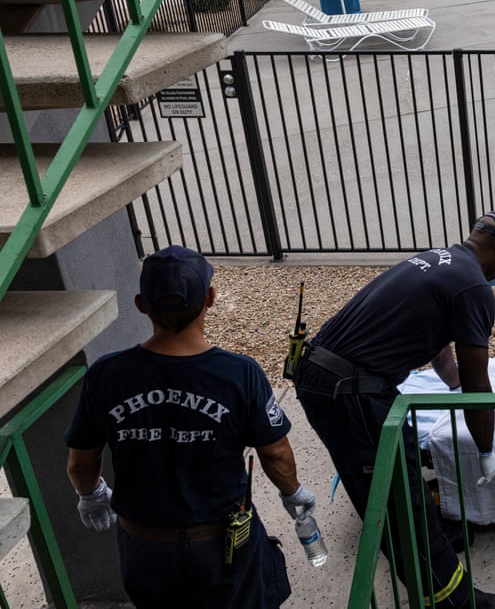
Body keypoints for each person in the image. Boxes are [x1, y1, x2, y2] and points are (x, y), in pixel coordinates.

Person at [292, 213, 495, 609]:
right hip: (348, 390)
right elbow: (477, 384)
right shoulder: (474, 287)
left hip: (329, 375)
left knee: (404, 473)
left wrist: (452, 382)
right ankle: (452, 600)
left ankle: (433, 541)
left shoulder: (440, 259)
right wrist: (486, 447)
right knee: (398, 499)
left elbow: (441, 347)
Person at [65, 245, 314, 609]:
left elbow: (81, 463)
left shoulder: (107, 374)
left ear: (141, 304)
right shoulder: (239, 374)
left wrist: (90, 495)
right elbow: (274, 453)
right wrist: (293, 493)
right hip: (220, 547)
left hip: (143, 547)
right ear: (210, 298)